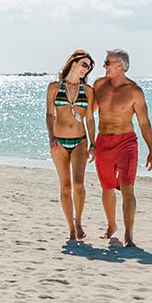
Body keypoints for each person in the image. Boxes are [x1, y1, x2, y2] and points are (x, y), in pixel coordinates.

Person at [92, 49, 152, 247]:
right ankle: (111, 226)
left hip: (126, 143)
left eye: (107, 62)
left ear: (120, 65)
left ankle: (129, 235)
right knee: (107, 188)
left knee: (128, 187)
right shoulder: (99, 85)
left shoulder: (134, 91)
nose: (104, 66)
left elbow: (144, 122)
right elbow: (87, 113)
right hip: (103, 142)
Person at [45, 49, 97, 242]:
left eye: (89, 67)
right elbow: (50, 115)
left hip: (80, 141)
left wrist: (93, 143)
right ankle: (71, 228)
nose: (86, 69)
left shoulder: (88, 91)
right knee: (65, 188)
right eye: (84, 64)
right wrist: (51, 138)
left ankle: (79, 222)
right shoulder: (54, 87)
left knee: (79, 185)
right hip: (59, 142)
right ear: (73, 63)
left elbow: (90, 119)